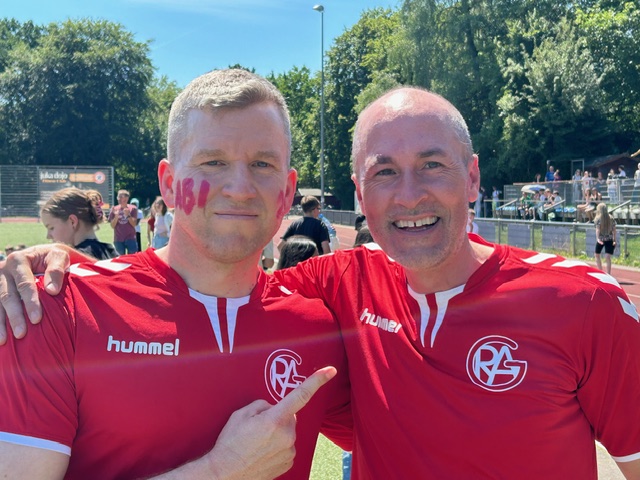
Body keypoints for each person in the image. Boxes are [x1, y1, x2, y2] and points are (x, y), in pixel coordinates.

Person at [3, 87, 640, 479]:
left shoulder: (584, 303)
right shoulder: (53, 310)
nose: (408, 194)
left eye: (432, 165)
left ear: (472, 178)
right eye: (384, 172)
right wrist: (65, 263)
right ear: (359, 192)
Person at [0, 69, 352, 479]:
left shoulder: (318, 328)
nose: (240, 187)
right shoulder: (55, 310)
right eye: (213, 162)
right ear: (168, 184)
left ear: (288, 191)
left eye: (262, 163)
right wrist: (220, 472)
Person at [40, 187, 118, 260]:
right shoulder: (112, 252)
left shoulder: (71, 261)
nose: (48, 236)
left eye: (51, 228)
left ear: (72, 222)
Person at [108, 189, 139, 255]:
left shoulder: (133, 208)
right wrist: (116, 216)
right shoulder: (114, 209)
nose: (119, 199)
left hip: (130, 238)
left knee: (133, 258)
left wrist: (128, 215)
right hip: (118, 239)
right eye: (118, 197)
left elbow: (134, 224)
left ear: (126, 198)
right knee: (120, 259)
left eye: (121, 197)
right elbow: (112, 226)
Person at [594, 202, 617, 275]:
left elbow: (597, 229)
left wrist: (598, 238)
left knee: (597, 254)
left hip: (601, 239)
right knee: (607, 257)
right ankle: (608, 273)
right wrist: (614, 239)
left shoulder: (598, 218)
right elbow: (614, 230)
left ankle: (600, 271)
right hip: (609, 239)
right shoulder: (611, 218)